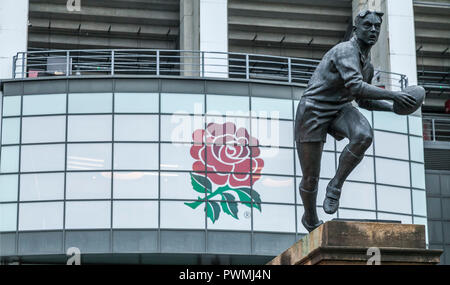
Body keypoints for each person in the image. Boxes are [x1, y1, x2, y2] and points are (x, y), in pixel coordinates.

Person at [295, 10, 417, 232]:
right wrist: (394, 95)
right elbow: (356, 86)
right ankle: (309, 217)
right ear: (355, 29)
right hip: (313, 109)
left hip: (339, 108)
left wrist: (394, 109)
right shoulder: (345, 51)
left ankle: (335, 187)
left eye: (377, 27)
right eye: (368, 26)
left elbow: (362, 100)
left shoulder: (367, 65)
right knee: (310, 177)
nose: (373, 30)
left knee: (363, 135)